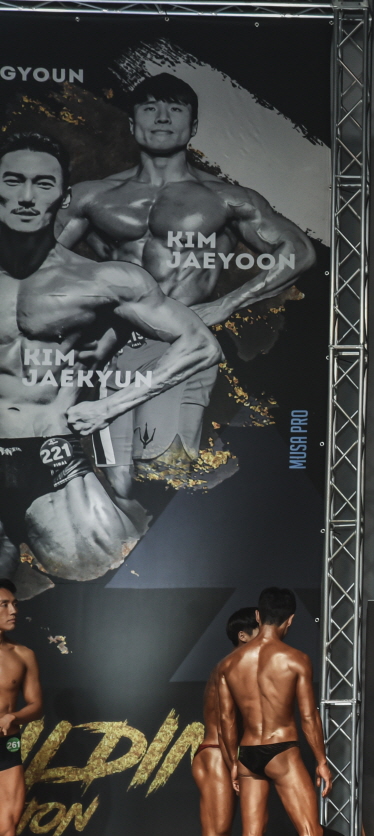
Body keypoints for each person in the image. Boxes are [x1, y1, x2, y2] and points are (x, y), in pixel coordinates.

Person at [55, 73, 315, 496]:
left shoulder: (224, 198)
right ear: (132, 122)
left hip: (180, 345)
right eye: (150, 108)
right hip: (109, 346)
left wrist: (227, 304)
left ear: (192, 126)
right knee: (115, 480)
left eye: (174, 109)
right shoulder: (90, 196)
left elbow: (299, 252)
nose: (162, 118)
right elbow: (36, 263)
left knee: (162, 471)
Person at [0, 131, 222, 583]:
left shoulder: (104, 280)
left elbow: (200, 345)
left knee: (97, 571)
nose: (26, 196)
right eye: (13, 180)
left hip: (50, 452)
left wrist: (111, 406)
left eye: (43, 183)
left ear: (64, 196)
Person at [215, 587, 353, 836]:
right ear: (290, 620)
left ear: (257, 616)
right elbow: (308, 717)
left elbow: (227, 721)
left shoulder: (228, 664)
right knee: (309, 831)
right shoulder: (295, 659)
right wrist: (321, 761)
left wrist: (233, 763)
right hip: (282, 750)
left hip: (247, 753)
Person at [186, 606, 257, 836]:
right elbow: (227, 723)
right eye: (259, 630)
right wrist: (232, 764)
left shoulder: (231, 666)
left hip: (215, 753)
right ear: (243, 635)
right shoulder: (232, 666)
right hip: (217, 754)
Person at [0, 579, 40, 836]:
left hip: (7, 747)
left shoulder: (23, 654)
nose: (13, 610)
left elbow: (36, 704)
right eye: (4, 604)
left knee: (6, 835)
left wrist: (15, 716)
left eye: (14, 604)